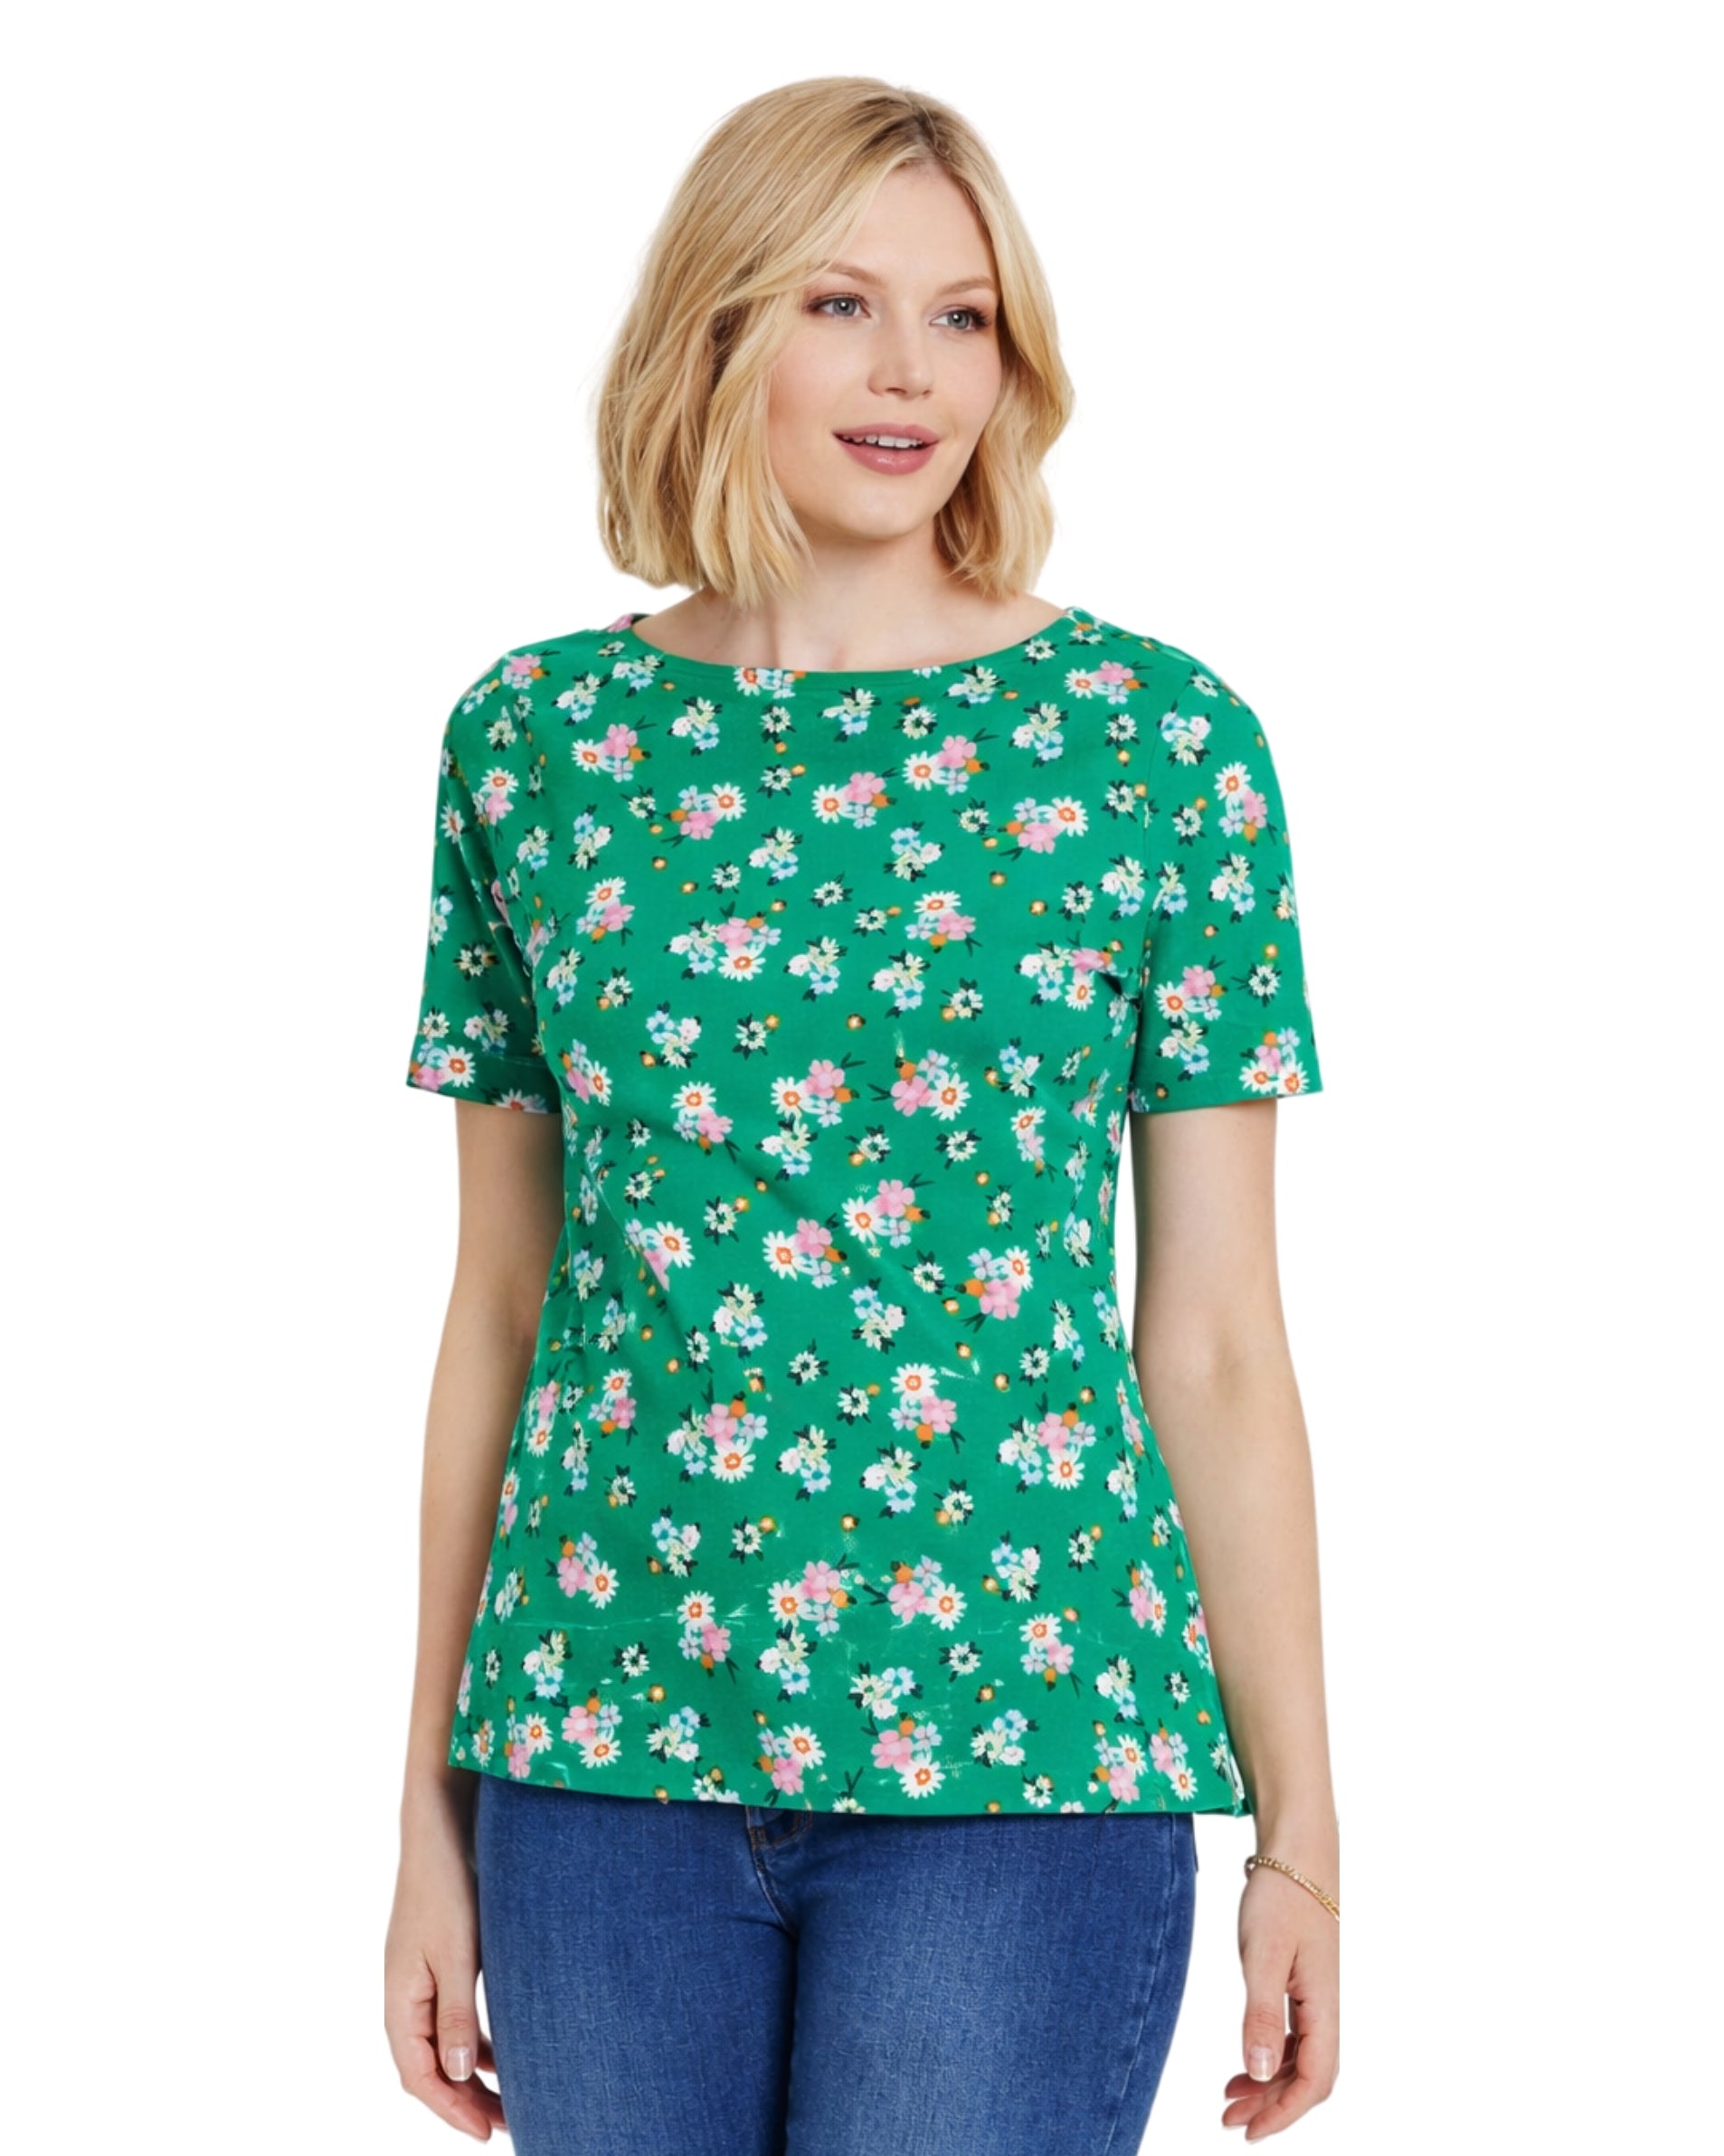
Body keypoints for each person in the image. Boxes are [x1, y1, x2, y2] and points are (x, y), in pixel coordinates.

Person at [384, 75, 1340, 2156]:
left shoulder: (1152, 745)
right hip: (595, 1746)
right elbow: (501, 1309)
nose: (911, 372)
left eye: (961, 317)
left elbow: (1211, 1337)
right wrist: (426, 1818)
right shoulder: (536, 742)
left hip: (1024, 1751)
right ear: (714, 326)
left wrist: (1302, 1832)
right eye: (838, 303)